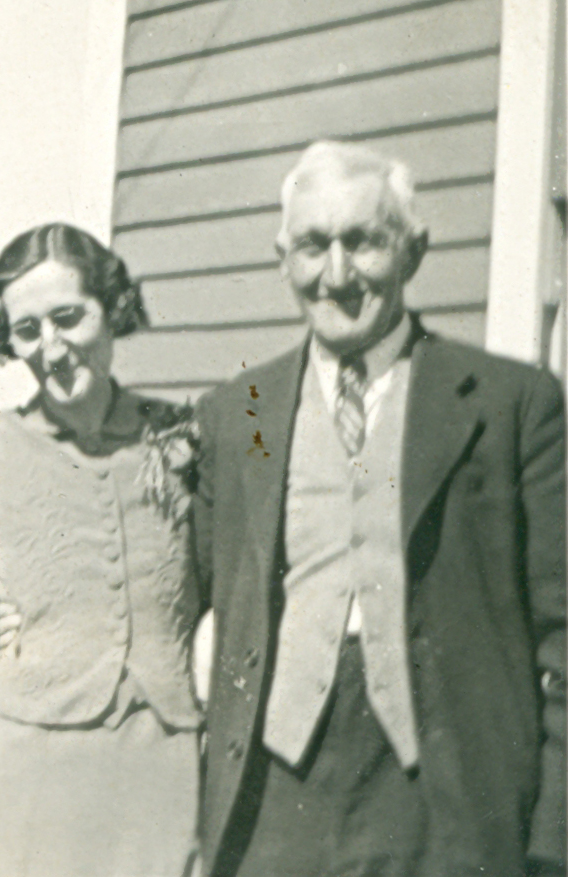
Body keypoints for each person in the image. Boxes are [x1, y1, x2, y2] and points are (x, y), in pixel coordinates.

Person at [195, 140, 565, 877]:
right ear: (281, 258)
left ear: (413, 249)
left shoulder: (509, 403)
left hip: (445, 786)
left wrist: (552, 834)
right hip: (277, 783)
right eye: (310, 246)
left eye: (361, 241)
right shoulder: (236, 413)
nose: (335, 274)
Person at [0, 223, 201, 877]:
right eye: (27, 330)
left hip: (156, 758)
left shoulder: (186, 437)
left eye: (67, 317)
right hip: (19, 759)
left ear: (111, 308)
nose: (50, 348)